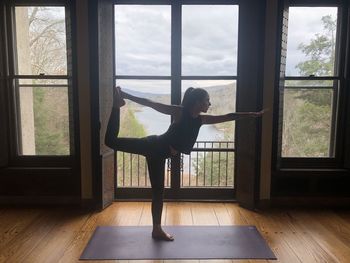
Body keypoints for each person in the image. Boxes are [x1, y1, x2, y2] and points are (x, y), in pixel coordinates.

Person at [105, 86, 265, 241]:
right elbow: (151, 103)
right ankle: (116, 105)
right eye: (207, 100)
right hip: (151, 145)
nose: (209, 104)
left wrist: (251, 114)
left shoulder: (201, 120)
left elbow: (228, 116)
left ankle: (156, 230)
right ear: (197, 102)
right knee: (110, 141)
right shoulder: (179, 112)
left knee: (158, 192)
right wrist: (126, 95)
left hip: (159, 156)